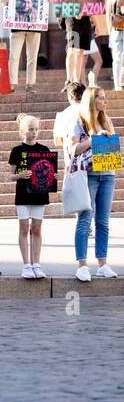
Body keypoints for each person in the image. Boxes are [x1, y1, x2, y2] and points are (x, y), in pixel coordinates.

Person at [65, 85, 118, 281]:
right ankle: (82, 265)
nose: (105, 101)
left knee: (103, 222)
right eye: (102, 98)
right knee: (85, 219)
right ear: (92, 100)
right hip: (88, 175)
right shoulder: (78, 122)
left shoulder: (107, 120)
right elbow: (73, 149)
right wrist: (94, 140)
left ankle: (102, 264)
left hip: (108, 174)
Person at [7, 114, 52, 280]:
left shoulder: (44, 150)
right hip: (23, 194)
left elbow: (50, 171)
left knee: (37, 229)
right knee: (24, 228)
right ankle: (26, 264)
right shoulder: (17, 151)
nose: (34, 133)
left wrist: (51, 177)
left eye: (37, 129)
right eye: (31, 129)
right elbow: (11, 176)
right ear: (22, 131)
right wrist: (20, 175)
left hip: (39, 194)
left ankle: (36, 263)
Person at [7, 0, 43, 93]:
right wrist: (5, 3)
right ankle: (12, 83)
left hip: (34, 25)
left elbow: (43, 3)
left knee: (32, 57)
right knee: (14, 56)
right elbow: (7, 2)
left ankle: (30, 84)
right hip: (17, 26)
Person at [61, 0, 97, 87]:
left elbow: (93, 4)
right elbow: (63, 1)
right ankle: (69, 80)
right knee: (72, 49)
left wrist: (96, 24)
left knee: (81, 51)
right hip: (73, 21)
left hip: (85, 21)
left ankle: (76, 80)